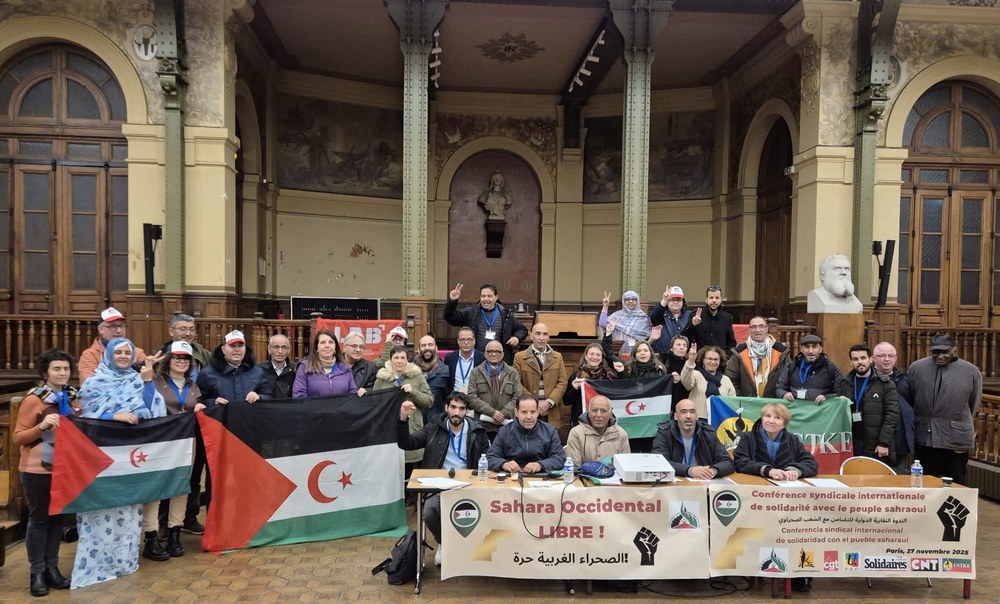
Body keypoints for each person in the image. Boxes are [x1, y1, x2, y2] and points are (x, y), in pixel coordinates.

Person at [73, 338, 166, 589]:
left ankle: (123, 560)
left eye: (128, 352)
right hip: (101, 458)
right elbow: (83, 417)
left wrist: (147, 382)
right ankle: (96, 562)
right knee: (99, 509)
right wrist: (112, 416)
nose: (124, 356)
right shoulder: (94, 383)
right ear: (109, 355)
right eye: (119, 352)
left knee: (127, 509)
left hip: (128, 456)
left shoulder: (138, 380)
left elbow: (153, 412)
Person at [13, 349, 80, 596]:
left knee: (57, 520)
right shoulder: (34, 399)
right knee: (40, 519)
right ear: (45, 372)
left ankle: (52, 568)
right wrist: (41, 426)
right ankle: (37, 572)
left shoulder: (72, 397)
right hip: (37, 468)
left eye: (65, 369)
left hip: (64, 468)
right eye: (56, 369)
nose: (62, 373)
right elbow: (18, 438)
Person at [396, 392, 489, 565]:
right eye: (453, 407)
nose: (457, 412)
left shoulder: (477, 432)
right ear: (446, 408)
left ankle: (469, 545)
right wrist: (403, 418)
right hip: (438, 485)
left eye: (462, 409)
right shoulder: (433, 428)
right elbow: (406, 443)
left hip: (469, 485)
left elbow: (488, 459)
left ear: (467, 411)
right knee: (429, 511)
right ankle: (444, 543)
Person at [145, 341, 203, 561]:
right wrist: (148, 370)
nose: (181, 362)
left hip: (187, 442)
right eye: (177, 357)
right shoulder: (156, 380)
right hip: (160, 442)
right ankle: (151, 535)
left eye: (186, 358)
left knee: (181, 486)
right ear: (169, 360)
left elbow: (196, 406)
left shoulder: (193, 385)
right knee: (157, 488)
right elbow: (145, 402)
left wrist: (200, 406)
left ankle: (174, 532)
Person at [907, 333, 982, 485]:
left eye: (945, 352)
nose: (940, 356)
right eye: (936, 352)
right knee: (925, 483)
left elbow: (973, 403)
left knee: (957, 483)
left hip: (955, 438)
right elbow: (911, 398)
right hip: (926, 437)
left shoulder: (971, 371)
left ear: (954, 350)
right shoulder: (917, 368)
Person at [836, 344, 899, 464]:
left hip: (875, 445)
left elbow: (892, 415)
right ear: (851, 362)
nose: (860, 362)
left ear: (871, 359)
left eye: (863, 358)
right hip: (852, 444)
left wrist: (883, 443)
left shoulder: (885, 383)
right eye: (855, 359)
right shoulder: (844, 383)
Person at [374, 345, 433, 466]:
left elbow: (429, 401)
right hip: (389, 432)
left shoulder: (417, 376)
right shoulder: (382, 379)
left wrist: (414, 392)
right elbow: (374, 403)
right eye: (396, 357)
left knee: (411, 475)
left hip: (412, 431)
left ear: (407, 360)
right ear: (390, 360)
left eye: (403, 357)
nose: (399, 361)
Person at [444, 282, 527, 365]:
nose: (485, 299)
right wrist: (452, 301)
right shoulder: (470, 312)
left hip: (499, 360)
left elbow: (522, 330)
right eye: (483, 296)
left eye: (489, 296)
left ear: (496, 297)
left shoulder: (506, 314)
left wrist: (517, 338)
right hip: (476, 360)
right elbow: (450, 318)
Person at [651, 398, 735, 479]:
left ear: (697, 416)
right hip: (677, 481)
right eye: (683, 412)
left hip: (704, 482)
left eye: (692, 412)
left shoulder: (708, 433)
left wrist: (713, 470)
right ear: (676, 416)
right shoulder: (665, 433)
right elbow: (658, 462)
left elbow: (728, 463)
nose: (688, 416)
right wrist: (689, 471)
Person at [734, 402, 818, 479]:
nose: (771, 421)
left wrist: (794, 470)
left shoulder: (792, 440)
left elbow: (811, 463)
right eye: (768, 416)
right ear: (762, 419)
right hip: (756, 486)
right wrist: (768, 471)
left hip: (786, 489)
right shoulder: (747, 437)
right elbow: (740, 462)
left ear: (784, 424)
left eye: (777, 418)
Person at [486, 394, 566, 473]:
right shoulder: (504, 431)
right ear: (516, 412)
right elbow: (490, 458)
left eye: (533, 412)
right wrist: (503, 464)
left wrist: (540, 465)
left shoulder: (550, 431)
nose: (529, 416)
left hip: (542, 478)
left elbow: (559, 459)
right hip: (511, 478)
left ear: (538, 412)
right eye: (524, 412)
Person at [197, 330, 272, 407]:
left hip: (249, 418)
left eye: (240, 345)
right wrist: (213, 402)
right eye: (232, 345)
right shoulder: (207, 374)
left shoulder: (257, 372)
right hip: (219, 418)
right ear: (223, 349)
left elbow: (268, 397)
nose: (237, 349)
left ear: (245, 348)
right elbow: (198, 402)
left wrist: (259, 397)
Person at [873, 341, 916, 473]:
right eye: (882, 356)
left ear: (896, 358)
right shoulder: (868, 380)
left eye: (891, 356)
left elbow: (911, 405)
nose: (887, 359)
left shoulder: (905, 381)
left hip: (900, 441)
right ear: (873, 359)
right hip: (875, 441)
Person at [513, 322, 567, 424]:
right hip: (529, 411)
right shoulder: (520, 357)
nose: (541, 338)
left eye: (545, 334)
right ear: (531, 336)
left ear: (548, 337)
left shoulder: (557, 357)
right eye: (538, 334)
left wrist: (548, 402)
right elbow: (516, 383)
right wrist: (534, 404)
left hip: (551, 411)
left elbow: (562, 382)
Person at [725, 316, 791, 398]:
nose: (758, 330)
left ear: (767, 329)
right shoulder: (739, 352)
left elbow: (788, 377)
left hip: (774, 403)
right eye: (753, 327)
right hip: (748, 404)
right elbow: (731, 378)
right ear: (749, 330)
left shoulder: (781, 351)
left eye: (761, 326)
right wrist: (741, 398)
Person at [467, 340, 523, 436]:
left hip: (507, 426)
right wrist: (492, 413)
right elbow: (472, 397)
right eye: (490, 351)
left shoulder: (512, 373)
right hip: (482, 426)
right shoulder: (475, 372)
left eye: (497, 351)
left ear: (502, 354)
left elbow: (518, 396)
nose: (493, 354)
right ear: (485, 354)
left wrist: (503, 414)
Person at [78, 307, 147, 383]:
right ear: (101, 329)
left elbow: (147, 380)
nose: (119, 330)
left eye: (121, 326)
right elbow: (88, 384)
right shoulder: (90, 355)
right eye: (113, 326)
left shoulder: (137, 352)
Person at [775, 334, 842, 404]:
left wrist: (827, 397)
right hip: (795, 409)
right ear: (802, 349)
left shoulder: (831, 368)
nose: (810, 351)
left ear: (821, 349)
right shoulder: (791, 366)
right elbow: (779, 388)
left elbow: (840, 392)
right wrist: (784, 394)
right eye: (807, 347)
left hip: (821, 410)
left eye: (814, 347)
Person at [563, 342, 618, 427]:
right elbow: (566, 401)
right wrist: (574, 389)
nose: (595, 357)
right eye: (592, 354)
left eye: (598, 355)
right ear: (586, 356)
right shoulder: (577, 375)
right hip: (581, 423)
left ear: (602, 358)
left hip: (603, 423)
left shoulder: (609, 377)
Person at [563, 395, 630, 463]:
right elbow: (574, 467)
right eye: (594, 410)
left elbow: (626, 465)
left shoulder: (621, 434)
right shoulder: (576, 433)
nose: (598, 415)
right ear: (588, 412)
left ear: (610, 413)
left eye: (603, 411)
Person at [293, 330, 357, 398]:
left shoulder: (345, 369)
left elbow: (352, 396)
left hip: (342, 409)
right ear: (317, 348)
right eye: (323, 342)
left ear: (335, 347)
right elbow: (299, 396)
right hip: (313, 408)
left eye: (331, 342)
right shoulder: (305, 367)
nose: (327, 345)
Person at [681, 344, 736, 419]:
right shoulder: (696, 375)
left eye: (716, 359)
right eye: (709, 359)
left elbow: (733, 402)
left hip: (720, 420)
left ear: (720, 361)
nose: (713, 362)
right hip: (698, 419)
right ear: (703, 360)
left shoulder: (726, 380)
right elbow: (686, 383)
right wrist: (690, 361)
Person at [682, 286, 736, 350]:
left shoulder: (727, 318)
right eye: (711, 298)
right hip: (700, 357)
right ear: (706, 300)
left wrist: (726, 356)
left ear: (721, 299)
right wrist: (693, 325)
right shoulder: (695, 315)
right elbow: (685, 338)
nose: (714, 300)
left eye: (717, 298)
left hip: (719, 358)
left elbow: (731, 343)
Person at [599, 290, 652, 356]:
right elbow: (602, 324)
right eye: (627, 299)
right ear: (623, 301)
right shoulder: (617, 315)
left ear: (637, 301)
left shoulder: (643, 318)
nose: (630, 301)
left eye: (633, 299)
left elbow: (647, 337)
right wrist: (605, 306)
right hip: (617, 354)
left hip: (637, 355)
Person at [648, 285, 693, 361]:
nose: (675, 302)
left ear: (683, 301)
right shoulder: (661, 314)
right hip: (662, 357)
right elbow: (653, 318)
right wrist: (664, 300)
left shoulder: (690, 315)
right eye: (672, 299)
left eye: (678, 300)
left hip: (684, 359)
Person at [413, 334, 451, 422]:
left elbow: (447, 396)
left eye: (430, 345)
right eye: (423, 345)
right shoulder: (410, 370)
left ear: (436, 348)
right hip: (415, 420)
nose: (427, 348)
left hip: (435, 421)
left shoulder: (445, 370)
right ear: (419, 349)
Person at [444, 326, 484, 394]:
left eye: (469, 339)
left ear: (474, 341)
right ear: (458, 341)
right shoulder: (450, 358)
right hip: (455, 399)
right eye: (462, 339)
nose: (466, 342)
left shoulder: (482, 358)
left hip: (474, 399)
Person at [259, 333, 295, 399]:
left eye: (284, 347)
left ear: (289, 350)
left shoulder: (296, 370)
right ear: (269, 349)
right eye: (276, 347)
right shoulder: (259, 370)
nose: (280, 351)